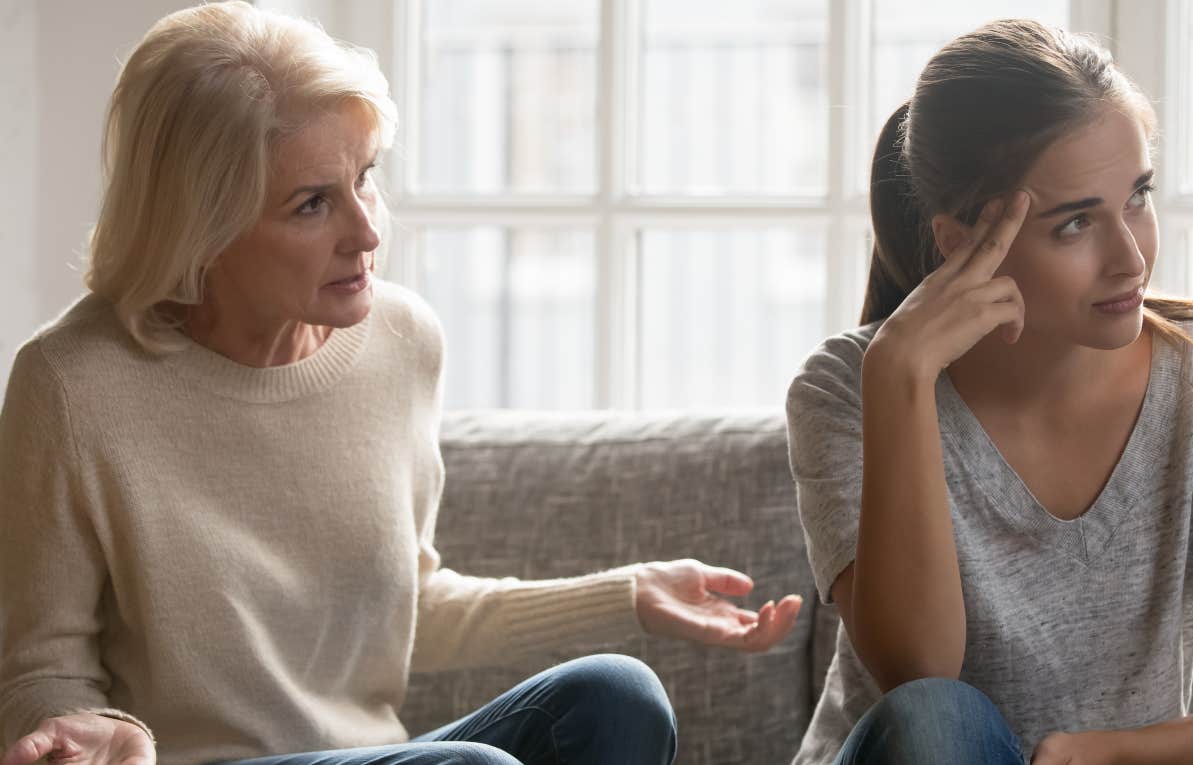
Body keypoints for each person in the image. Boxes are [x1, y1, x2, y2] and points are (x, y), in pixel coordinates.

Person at [0, 4, 802, 765]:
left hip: (379, 754)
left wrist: (628, 593)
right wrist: (90, 728)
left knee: (616, 696)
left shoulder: (401, 340)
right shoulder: (72, 384)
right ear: (201, 227)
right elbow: (38, 667)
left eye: (366, 177)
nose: (368, 230)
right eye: (313, 203)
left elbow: (411, 604)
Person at [785, 18, 1193, 765]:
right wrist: (901, 378)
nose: (1131, 258)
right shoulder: (849, 386)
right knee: (938, 719)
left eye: (1138, 197)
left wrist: (1110, 753)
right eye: (1076, 222)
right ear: (960, 242)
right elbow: (917, 674)